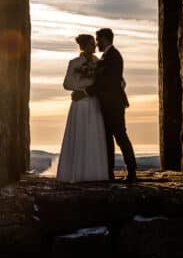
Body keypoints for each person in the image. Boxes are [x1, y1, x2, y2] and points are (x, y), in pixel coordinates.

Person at [86, 28, 137, 182]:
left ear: (105, 39)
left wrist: (88, 90)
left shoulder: (113, 56)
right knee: (108, 139)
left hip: (114, 105)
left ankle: (132, 172)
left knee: (120, 137)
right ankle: (109, 173)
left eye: (98, 39)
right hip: (108, 104)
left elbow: (108, 81)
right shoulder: (107, 56)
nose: (97, 43)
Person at [56, 34, 110, 183]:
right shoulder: (74, 63)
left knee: (93, 135)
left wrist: (86, 89)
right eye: (92, 44)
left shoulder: (97, 62)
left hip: (93, 102)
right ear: (84, 46)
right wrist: (79, 88)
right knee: (80, 134)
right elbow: (66, 84)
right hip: (79, 104)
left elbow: (100, 82)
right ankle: (76, 173)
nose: (94, 47)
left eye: (94, 44)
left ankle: (93, 173)